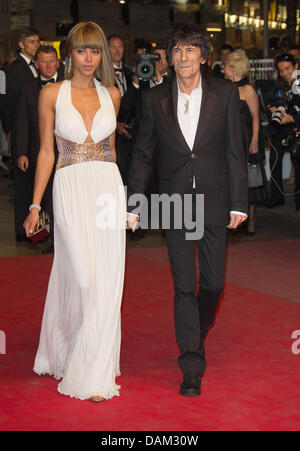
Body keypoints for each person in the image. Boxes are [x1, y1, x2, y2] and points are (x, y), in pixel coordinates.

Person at [127, 23, 248, 397]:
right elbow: (143, 154)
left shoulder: (226, 94)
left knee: (212, 284)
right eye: (177, 51)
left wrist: (239, 202)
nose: (183, 58)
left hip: (214, 198)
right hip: (174, 201)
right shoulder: (154, 99)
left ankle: (196, 328)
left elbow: (234, 149)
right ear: (169, 57)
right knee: (183, 287)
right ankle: (192, 364)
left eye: (190, 50)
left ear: (203, 56)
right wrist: (134, 203)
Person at [23, 22, 126, 402]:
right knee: (80, 276)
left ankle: (92, 369)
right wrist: (36, 204)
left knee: (105, 279)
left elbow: (111, 151)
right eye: (82, 51)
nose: (89, 58)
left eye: (95, 51)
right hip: (68, 186)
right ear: (70, 53)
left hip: (106, 188)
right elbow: (47, 151)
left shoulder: (113, 95)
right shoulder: (51, 93)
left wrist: (124, 202)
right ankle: (66, 349)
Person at [15, 45, 64, 254]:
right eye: (43, 61)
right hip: (39, 150)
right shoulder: (28, 87)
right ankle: (52, 239)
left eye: (52, 60)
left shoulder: (67, 86)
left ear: (58, 62)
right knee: (46, 199)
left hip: (65, 150)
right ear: (36, 64)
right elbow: (23, 121)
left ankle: (63, 239)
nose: (49, 65)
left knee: (62, 198)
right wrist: (22, 152)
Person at [1, 28, 40, 240]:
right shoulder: (9, 71)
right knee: (23, 183)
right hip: (20, 131)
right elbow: (4, 104)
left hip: (37, 133)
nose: (36, 44)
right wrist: (8, 130)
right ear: (22, 44)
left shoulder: (36, 67)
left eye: (37, 41)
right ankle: (22, 230)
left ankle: (37, 227)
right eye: (32, 42)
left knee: (37, 181)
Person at [224, 49, 267, 235]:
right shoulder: (225, 88)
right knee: (231, 179)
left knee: (249, 180)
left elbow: (256, 117)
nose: (223, 69)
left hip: (247, 138)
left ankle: (251, 221)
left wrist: (255, 140)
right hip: (229, 140)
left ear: (233, 68)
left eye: (225, 65)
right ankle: (232, 217)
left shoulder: (248, 89)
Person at [266, 53, 300, 209]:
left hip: (296, 128)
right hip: (281, 128)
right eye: (281, 70)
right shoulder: (277, 84)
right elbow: (271, 102)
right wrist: (272, 109)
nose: (285, 73)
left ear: (296, 67)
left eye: (288, 68)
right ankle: (276, 196)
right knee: (274, 159)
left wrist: (291, 118)